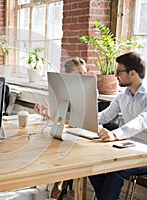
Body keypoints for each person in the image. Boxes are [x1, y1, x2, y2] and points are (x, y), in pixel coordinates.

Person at [89, 52, 147, 200]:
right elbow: (104, 116)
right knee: (92, 164)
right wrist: (78, 119)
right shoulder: (122, 96)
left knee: (116, 171)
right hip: (130, 147)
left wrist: (114, 134)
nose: (115, 75)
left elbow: (142, 121)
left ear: (132, 73)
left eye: (119, 72)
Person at [35, 57, 88, 199]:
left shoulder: (89, 89)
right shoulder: (62, 90)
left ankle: (58, 186)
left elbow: (87, 119)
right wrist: (46, 112)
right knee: (46, 143)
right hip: (68, 131)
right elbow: (60, 116)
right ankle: (59, 185)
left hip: (84, 134)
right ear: (67, 75)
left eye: (84, 74)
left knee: (63, 148)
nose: (83, 78)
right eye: (79, 74)